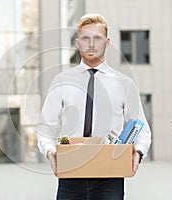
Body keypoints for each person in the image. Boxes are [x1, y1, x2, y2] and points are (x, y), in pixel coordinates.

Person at [36, 13, 151, 200]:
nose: (91, 44)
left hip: (110, 176)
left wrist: (138, 153)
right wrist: (50, 152)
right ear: (77, 43)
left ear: (107, 42)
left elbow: (142, 128)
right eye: (85, 38)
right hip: (70, 174)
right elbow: (44, 125)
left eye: (97, 38)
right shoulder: (62, 81)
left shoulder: (125, 84)